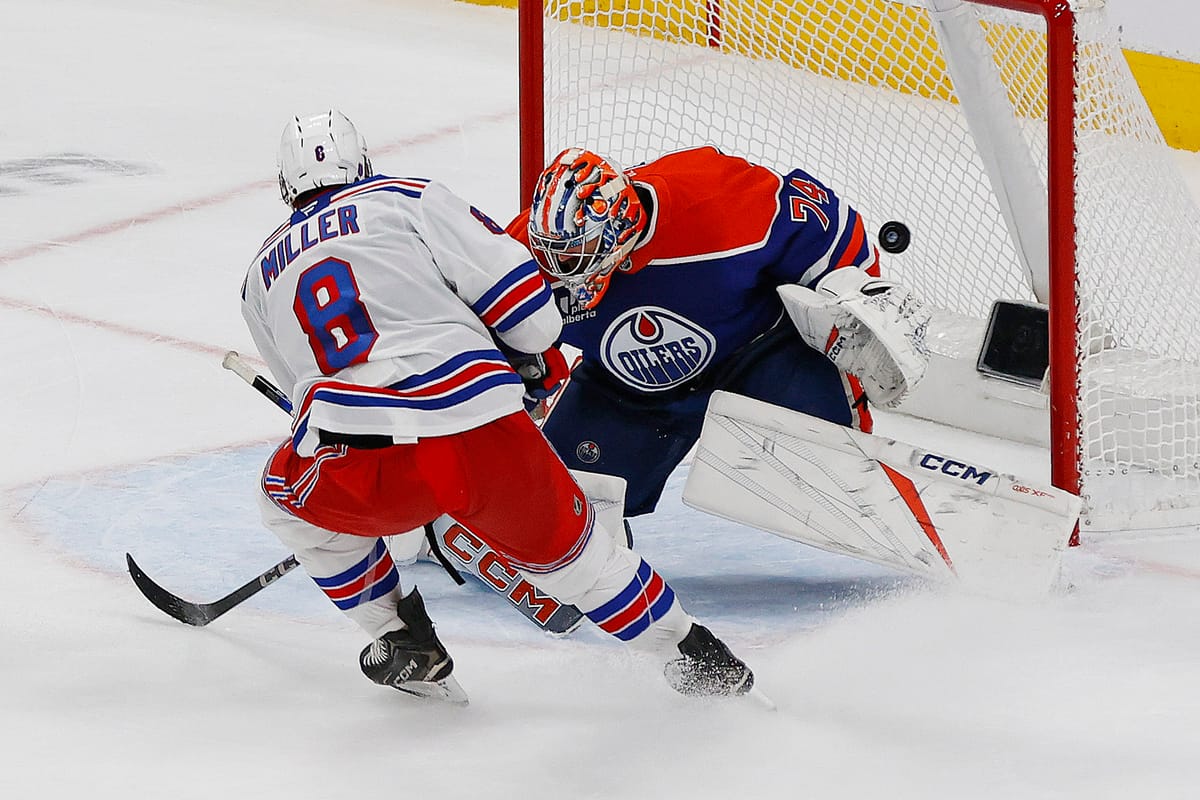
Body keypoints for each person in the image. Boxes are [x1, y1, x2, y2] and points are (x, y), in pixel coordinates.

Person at [239, 111, 755, 703]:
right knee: (581, 563)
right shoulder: (411, 198)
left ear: (285, 188)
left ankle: (399, 635)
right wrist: (519, 364)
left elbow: (300, 397)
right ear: (362, 166)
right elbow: (534, 324)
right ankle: (701, 664)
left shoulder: (257, 277)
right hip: (476, 430)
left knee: (286, 504)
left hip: (360, 453)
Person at [506, 145, 931, 520]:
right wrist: (526, 371)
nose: (562, 269)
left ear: (621, 231)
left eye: (577, 254)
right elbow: (491, 338)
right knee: (547, 512)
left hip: (758, 358)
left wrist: (854, 297)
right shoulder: (518, 253)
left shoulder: (718, 200)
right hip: (625, 391)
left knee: (836, 479)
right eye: (551, 252)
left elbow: (832, 232)